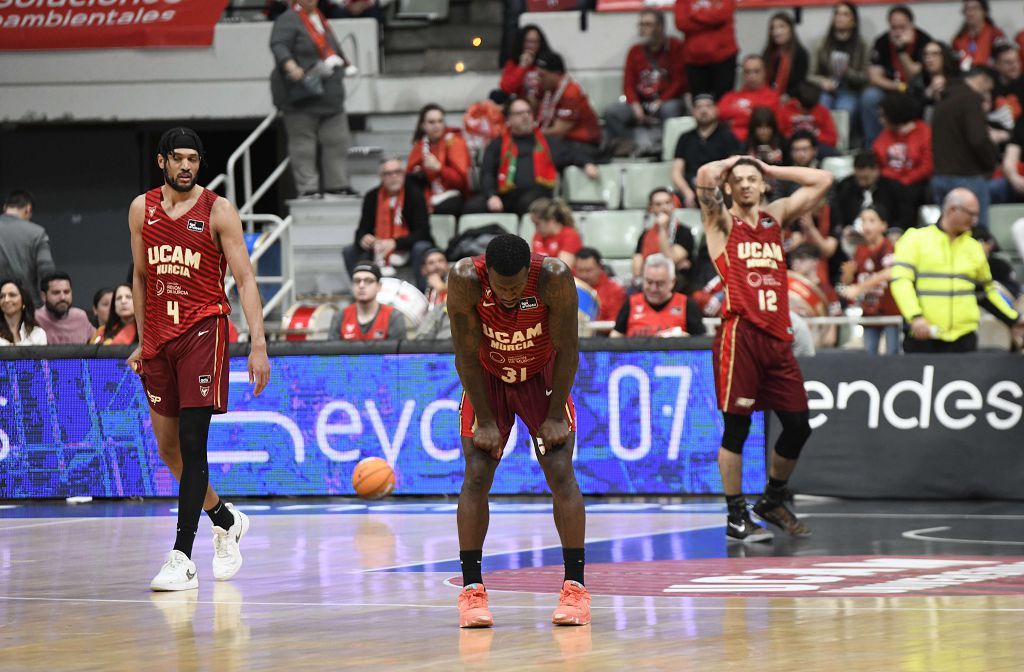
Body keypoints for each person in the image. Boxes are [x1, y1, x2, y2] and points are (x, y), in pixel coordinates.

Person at [127, 127, 270, 592]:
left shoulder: (218, 210)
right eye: (179, 158)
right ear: (163, 162)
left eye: (194, 159)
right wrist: (142, 339)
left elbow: (246, 280)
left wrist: (258, 343)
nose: (187, 166)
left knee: (192, 444)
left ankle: (182, 557)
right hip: (159, 341)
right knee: (168, 448)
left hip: (203, 331)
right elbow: (142, 277)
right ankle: (225, 518)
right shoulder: (140, 209)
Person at [447, 234, 588, 628]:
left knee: (560, 472)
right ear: (487, 274)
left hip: (542, 377)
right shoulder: (464, 279)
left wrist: (557, 412)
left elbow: (569, 348)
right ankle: (472, 591)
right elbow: (464, 352)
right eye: (500, 287)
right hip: (487, 377)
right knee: (476, 475)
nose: (508, 296)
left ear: (529, 272)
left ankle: (575, 587)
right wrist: (487, 421)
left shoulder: (553, 277)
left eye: (515, 287)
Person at [695, 154, 832, 542]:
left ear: (764, 184)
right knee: (737, 428)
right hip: (742, 333)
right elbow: (704, 173)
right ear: (728, 186)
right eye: (738, 180)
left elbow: (823, 178)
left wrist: (771, 168)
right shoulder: (721, 221)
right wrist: (731, 164)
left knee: (798, 425)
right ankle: (736, 516)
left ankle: (771, 499)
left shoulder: (775, 215)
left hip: (778, 336)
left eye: (753, 179)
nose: (746, 185)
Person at [891, 188, 1023, 352]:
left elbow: (986, 293)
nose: (974, 221)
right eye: (971, 214)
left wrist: (1014, 319)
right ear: (952, 209)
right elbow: (901, 283)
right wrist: (915, 317)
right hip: (923, 337)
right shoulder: (915, 239)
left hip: (964, 340)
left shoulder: (974, 248)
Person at [270, 0, 356, 199]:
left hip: (330, 96)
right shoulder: (289, 19)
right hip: (302, 96)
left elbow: (330, 46)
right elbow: (279, 45)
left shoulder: (319, 17)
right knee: (303, 144)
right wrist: (290, 65)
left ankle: (338, 184)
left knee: (338, 141)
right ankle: (308, 188)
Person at [465, 98, 595, 217]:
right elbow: (487, 173)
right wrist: (491, 196)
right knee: (472, 207)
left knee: (530, 204)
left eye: (528, 112)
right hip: (504, 195)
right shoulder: (497, 144)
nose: (525, 116)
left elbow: (572, 154)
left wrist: (587, 163)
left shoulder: (546, 142)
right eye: (519, 113)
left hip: (536, 194)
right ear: (509, 119)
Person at [604, 10, 687, 154]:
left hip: (665, 101)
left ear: (661, 26)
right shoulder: (635, 51)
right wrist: (635, 105)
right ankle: (636, 143)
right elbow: (628, 84)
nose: (643, 28)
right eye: (641, 24)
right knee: (612, 112)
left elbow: (680, 81)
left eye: (648, 24)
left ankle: (663, 147)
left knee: (671, 109)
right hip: (642, 102)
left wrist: (661, 101)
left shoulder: (675, 47)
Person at [344, 158, 434, 291]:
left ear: (403, 174)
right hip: (379, 246)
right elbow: (362, 229)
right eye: (388, 173)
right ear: (381, 177)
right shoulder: (372, 196)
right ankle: (363, 292)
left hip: (408, 247)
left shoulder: (414, 194)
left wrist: (395, 243)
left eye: (397, 172)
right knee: (349, 251)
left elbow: (423, 232)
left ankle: (423, 294)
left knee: (421, 248)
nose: (393, 177)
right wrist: (363, 238)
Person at [931, 67, 999, 228]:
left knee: (947, 232)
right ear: (982, 79)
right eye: (988, 88)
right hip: (968, 177)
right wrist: (991, 161)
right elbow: (978, 139)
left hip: (940, 176)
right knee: (976, 234)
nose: (987, 94)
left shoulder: (943, 101)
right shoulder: (970, 99)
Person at [862, 6, 933, 147]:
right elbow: (874, 77)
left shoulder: (923, 41)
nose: (898, 32)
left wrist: (901, 50)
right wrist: (898, 86)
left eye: (902, 27)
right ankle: (873, 145)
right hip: (892, 88)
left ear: (911, 25)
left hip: (915, 89)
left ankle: (916, 146)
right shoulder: (882, 41)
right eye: (894, 28)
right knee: (869, 97)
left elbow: (915, 74)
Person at [839, 205, 901, 355]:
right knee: (869, 354)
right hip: (869, 313)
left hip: (890, 314)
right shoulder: (860, 250)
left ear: (883, 225)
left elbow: (890, 272)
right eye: (863, 221)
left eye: (872, 220)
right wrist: (847, 275)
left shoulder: (888, 247)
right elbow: (849, 285)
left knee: (892, 353)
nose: (866, 225)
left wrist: (860, 288)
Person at [672, 94, 742, 208]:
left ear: (716, 110)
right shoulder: (684, 138)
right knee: (664, 199)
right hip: (690, 189)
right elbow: (676, 172)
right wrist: (687, 193)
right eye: (699, 107)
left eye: (708, 106)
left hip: (719, 188)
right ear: (693, 111)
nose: (704, 110)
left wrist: (715, 187)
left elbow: (733, 168)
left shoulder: (727, 136)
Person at [611, 254, 705, 338]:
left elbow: (701, 344)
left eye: (659, 283)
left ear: (672, 282)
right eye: (649, 282)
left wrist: (685, 340)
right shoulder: (631, 303)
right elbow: (615, 338)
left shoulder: (687, 304)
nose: (653, 288)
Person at [873, 93, 933, 219]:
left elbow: (927, 166)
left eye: (884, 116)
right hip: (890, 183)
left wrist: (905, 179)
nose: (881, 120)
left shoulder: (923, 132)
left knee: (907, 192)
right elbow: (877, 157)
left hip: (914, 184)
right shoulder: (886, 134)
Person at [406, 104, 471, 217]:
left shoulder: (454, 142)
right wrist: (419, 173)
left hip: (452, 195)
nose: (437, 126)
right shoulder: (419, 146)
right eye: (431, 122)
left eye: (440, 121)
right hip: (427, 195)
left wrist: (439, 168)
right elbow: (408, 179)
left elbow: (461, 182)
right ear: (423, 125)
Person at [808, 2, 868, 122]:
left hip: (850, 91)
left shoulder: (862, 45)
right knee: (822, 107)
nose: (839, 18)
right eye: (837, 14)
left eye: (845, 14)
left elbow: (866, 77)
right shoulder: (822, 43)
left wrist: (847, 72)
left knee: (845, 110)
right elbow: (810, 75)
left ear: (854, 20)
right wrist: (822, 82)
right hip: (826, 91)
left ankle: (842, 141)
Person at [535, 52, 602, 153]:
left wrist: (531, 135)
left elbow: (558, 132)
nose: (538, 80)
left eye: (542, 75)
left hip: (582, 144)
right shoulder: (548, 89)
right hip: (566, 141)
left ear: (556, 74)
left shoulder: (570, 93)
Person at [674, 0, 738, 100]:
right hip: (694, 59)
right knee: (700, 102)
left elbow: (722, 15)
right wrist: (711, 20)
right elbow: (681, 23)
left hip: (723, 57)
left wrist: (694, 14)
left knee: (724, 101)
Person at [632, 188, 696, 288]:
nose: (664, 207)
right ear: (651, 208)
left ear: (673, 205)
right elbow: (637, 269)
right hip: (648, 283)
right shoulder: (645, 234)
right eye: (658, 204)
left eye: (668, 203)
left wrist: (662, 229)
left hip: (677, 286)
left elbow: (669, 259)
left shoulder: (684, 232)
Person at [831, 151, 908, 232]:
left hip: (885, 233)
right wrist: (844, 228)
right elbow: (838, 215)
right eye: (859, 178)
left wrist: (895, 231)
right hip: (853, 233)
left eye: (866, 178)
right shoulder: (845, 187)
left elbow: (904, 216)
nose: (862, 181)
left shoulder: (892, 188)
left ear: (876, 170)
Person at [328, 263, 407, 341]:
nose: (361, 285)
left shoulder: (393, 316)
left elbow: (398, 352)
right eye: (357, 281)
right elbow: (330, 352)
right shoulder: (340, 316)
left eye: (368, 281)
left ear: (379, 286)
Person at [0, 190, 55, 299]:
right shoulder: (37, 233)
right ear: (28, 209)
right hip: (27, 303)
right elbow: (47, 270)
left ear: (5, 207)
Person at [717, 55, 781, 144]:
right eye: (747, 72)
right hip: (728, 143)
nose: (752, 76)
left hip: (755, 143)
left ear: (764, 72)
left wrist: (733, 118)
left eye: (756, 71)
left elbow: (760, 119)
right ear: (742, 74)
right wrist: (747, 112)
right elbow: (718, 113)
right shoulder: (730, 96)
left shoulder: (772, 96)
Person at [33, 272, 95, 345]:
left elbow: (100, 340)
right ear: (43, 296)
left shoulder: (80, 317)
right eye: (56, 293)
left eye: (66, 292)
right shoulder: (34, 318)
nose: (63, 297)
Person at [777, 82, 839, 152]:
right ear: (798, 101)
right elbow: (779, 134)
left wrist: (813, 137)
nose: (806, 112)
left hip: (816, 148)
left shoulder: (823, 111)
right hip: (791, 147)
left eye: (810, 109)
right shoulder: (786, 110)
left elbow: (832, 139)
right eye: (804, 108)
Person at [908, 41, 960, 120]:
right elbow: (909, 112)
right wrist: (926, 96)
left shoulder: (956, 78)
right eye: (926, 55)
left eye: (934, 54)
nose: (929, 58)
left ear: (944, 56)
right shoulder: (917, 82)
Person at [498, 24, 549, 103]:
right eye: (528, 41)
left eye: (535, 42)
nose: (531, 46)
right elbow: (506, 88)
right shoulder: (513, 62)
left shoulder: (547, 61)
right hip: (520, 105)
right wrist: (522, 67)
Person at [573, 248, 626, 323]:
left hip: (600, 333)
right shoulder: (568, 288)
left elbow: (615, 324)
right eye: (580, 270)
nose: (584, 275)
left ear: (600, 268)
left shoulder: (615, 291)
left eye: (588, 270)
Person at [763, 13, 808, 100]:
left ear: (790, 29)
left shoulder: (800, 54)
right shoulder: (768, 53)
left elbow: (800, 85)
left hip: (790, 99)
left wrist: (785, 97)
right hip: (767, 97)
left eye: (781, 27)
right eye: (773, 28)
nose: (777, 32)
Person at [951, 0, 1007, 70]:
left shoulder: (995, 35)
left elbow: (1004, 60)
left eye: (975, 8)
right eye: (967, 9)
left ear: (985, 12)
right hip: (964, 76)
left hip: (991, 75)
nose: (970, 13)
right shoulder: (958, 39)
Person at [532, 198, 582, 267]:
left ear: (551, 220)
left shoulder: (570, 235)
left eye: (537, 224)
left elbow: (561, 269)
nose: (536, 228)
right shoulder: (538, 235)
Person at [415, 249, 452, 340]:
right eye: (431, 263)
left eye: (441, 261)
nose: (437, 265)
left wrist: (441, 288)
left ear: (447, 265)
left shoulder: (459, 283)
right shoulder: (425, 291)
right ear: (424, 269)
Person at [0, 279, 47, 346]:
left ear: (24, 300)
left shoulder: (37, 333)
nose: (6, 300)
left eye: (12, 295)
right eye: (2, 296)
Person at [990, 115, 1024, 204]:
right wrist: (1015, 178)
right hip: (1020, 183)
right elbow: (1009, 159)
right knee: (988, 190)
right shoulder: (1021, 123)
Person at [991, 44, 1024, 128]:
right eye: (1008, 62)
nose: (1015, 66)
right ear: (996, 65)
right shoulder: (989, 86)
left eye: (1017, 61)